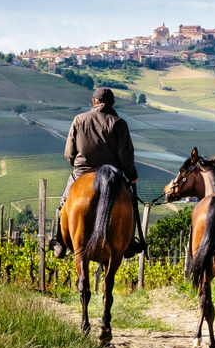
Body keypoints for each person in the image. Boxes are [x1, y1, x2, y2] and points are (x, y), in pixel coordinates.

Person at [48, 87, 144, 258]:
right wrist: (133, 176)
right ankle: (129, 243)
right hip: (112, 176)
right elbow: (125, 157)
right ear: (112, 104)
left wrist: (79, 167)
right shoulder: (119, 123)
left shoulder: (79, 120)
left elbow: (69, 154)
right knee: (129, 203)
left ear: (94, 102)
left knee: (64, 204)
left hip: (82, 173)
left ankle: (60, 242)